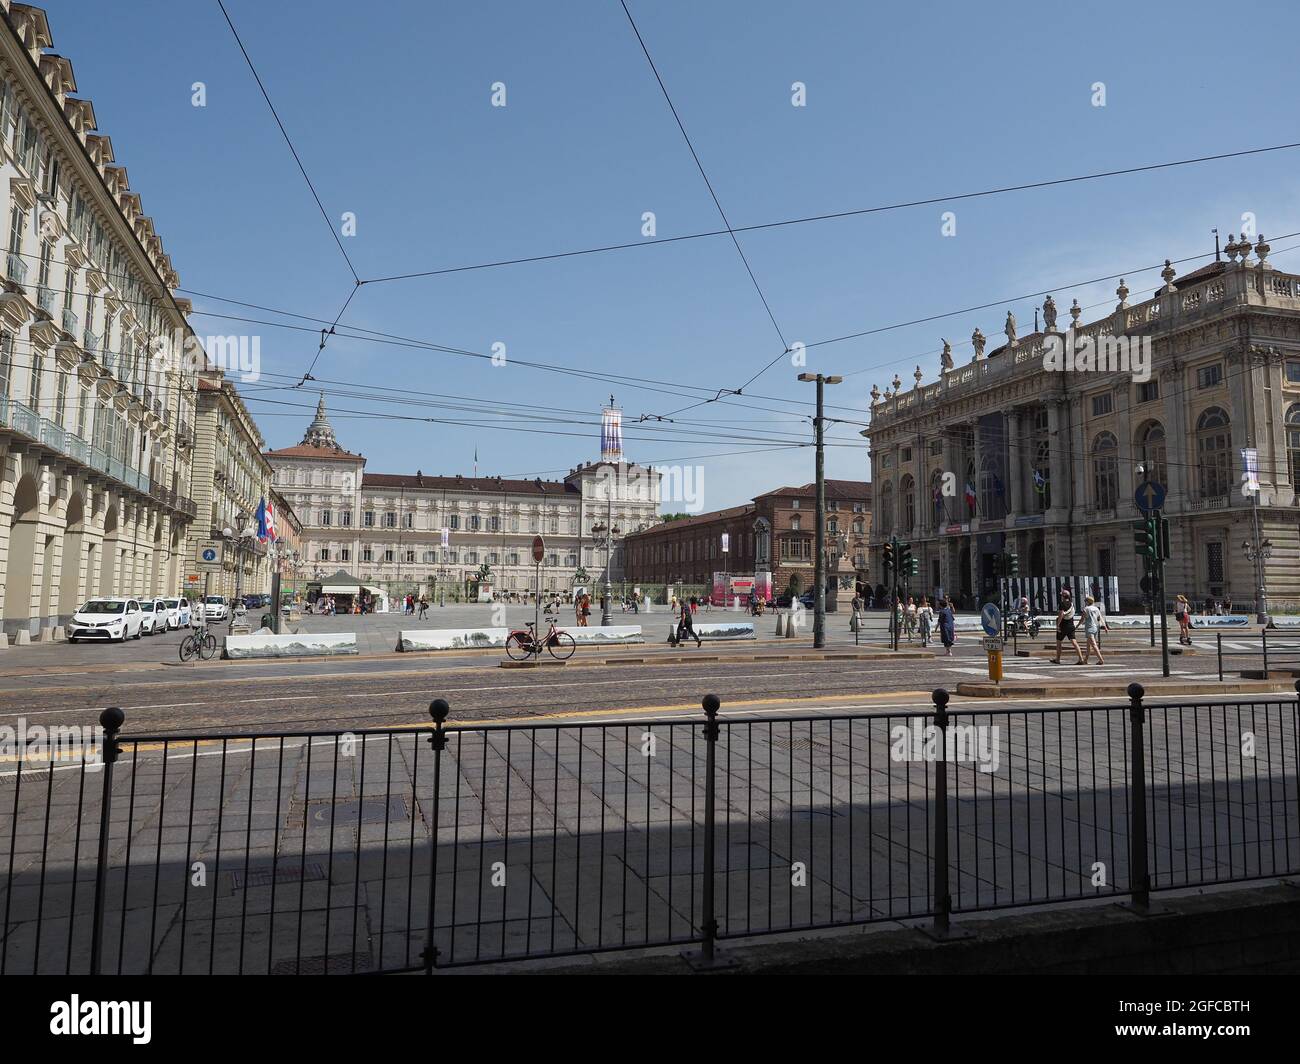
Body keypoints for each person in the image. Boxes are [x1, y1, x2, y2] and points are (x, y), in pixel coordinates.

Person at [1053, 590, 1084, 665]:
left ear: (1063, 596)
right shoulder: (1071, 603)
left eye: (1061, 595)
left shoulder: (1062, 604)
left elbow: (1061, 615)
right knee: (1074, 642)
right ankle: (1081, 659)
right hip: (1071, 625)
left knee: (1059, 642)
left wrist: (1057, 625)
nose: (1061, 597)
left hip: (1063, 625)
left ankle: (1058, 659)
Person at [1081, 594, 1108, 665]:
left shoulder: (1086, 609)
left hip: (1089, 628)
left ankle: (1101, 660)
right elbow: (1100, 618)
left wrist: (1077, 626)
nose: (1085, 602)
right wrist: (1105, 626)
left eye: (1085, 601)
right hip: (1096, 628)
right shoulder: (1096, 609)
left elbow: (1082, 619)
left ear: (1088, 602)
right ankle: (1085, 660)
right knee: (1088, 645)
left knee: (1093, 644)